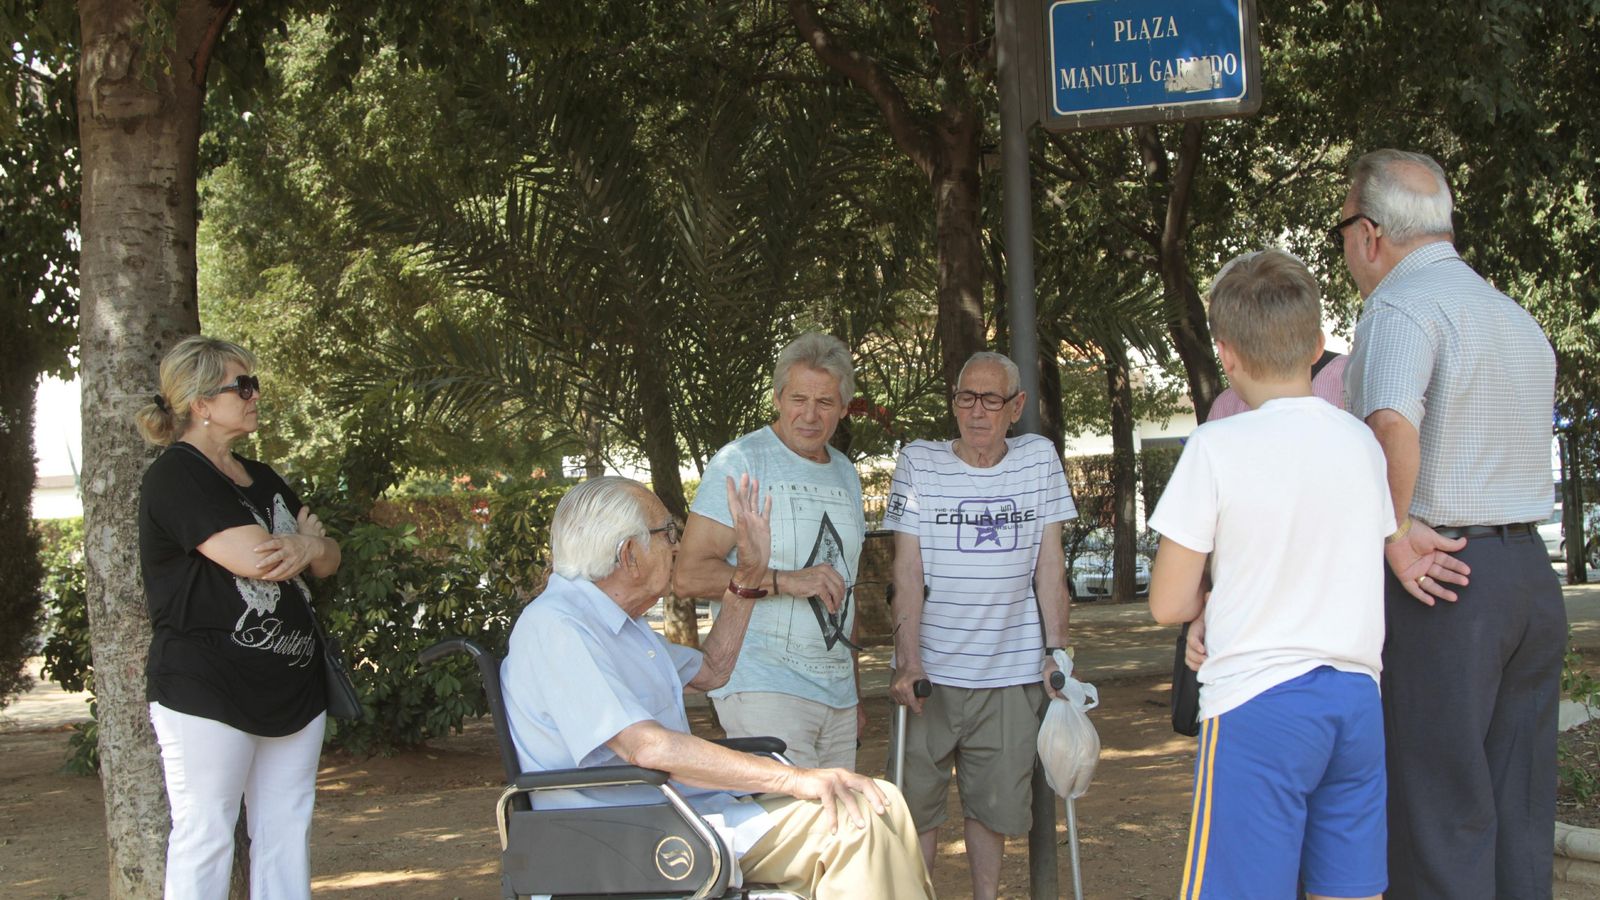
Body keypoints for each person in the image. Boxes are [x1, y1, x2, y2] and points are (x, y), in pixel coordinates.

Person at [500, 475, 935, 898]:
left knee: (884, 802)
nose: (676, 546)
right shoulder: (557, 628)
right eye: (668, 533)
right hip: (626, 835)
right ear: (629, 554)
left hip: (677, 812)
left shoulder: (617, 624)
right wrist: (795, 778)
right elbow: (647, 748)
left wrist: (748, 575)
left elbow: (712, 670)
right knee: (856, 824)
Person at [1339, 149, 1563, 899]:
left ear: (1370, 234)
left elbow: (1391, 424)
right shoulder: (1513, 315)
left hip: (1444, 578)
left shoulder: (1400, 307)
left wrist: (1392, 531)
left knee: (1436, 809)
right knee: (1517, 810)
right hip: (1528, 576)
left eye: (1342, 230)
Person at [1148, 249, 1394, 900]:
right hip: (1355, 699)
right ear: (1317, 345)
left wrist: (1207, 606)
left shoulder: (1215, 447)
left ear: (1225, 356)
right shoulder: (1361, 443)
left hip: (1258, 703)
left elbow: (1168, 601)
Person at [135, 336, 343, 900]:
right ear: (201, 403)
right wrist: (301, 543)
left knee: (286, 832)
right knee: (206, 832)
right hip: (209, 688)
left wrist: (307, 548)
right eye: (242, 386)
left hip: (294, 689)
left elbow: (329, 560)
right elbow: (260, 560)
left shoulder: (263, 476)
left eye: (253, 384)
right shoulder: (178, 476)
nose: (255, 396)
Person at [881, 350, 1075, 900]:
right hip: (932, 673)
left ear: (1016, 406)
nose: (976, 411)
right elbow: (907, 570)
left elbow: (1050, 565)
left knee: (994, 808)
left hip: (1011, 671)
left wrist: (1057, 650)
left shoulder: (1039, 460)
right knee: (915, 806)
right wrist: (908, 661)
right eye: (966, 397)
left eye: (991, 400)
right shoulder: (919, 462)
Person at [674, 332, 866, 769]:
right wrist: (785, 581)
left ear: (844, 407)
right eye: (798, 399)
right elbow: (688, 576)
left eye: (825, 402)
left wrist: (853, 693)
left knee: (835, 816)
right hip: (762, 684)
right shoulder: (742, 461)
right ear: (778, 398)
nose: (810, 415)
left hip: (836, 694)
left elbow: (846, 591)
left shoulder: (845, 472)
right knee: (790, 813)